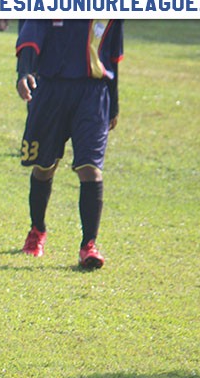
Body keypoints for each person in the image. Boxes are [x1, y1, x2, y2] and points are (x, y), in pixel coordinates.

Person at [15, 19, 123, 269]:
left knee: (90, 167)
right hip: (51, 88)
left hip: (94, 93)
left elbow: (113, 55)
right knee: (44, 166)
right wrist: (24, 72)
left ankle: (89, 246)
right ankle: (37, 230)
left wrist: (114, 104)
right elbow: (31, 34)